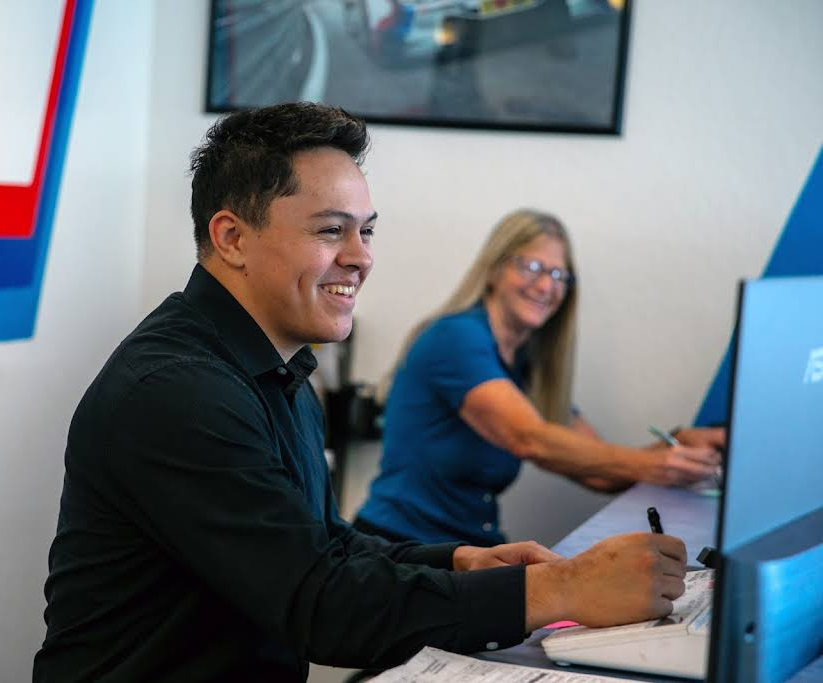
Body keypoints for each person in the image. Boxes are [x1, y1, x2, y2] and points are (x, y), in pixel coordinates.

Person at [34, 105, 696, 682]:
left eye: (366, 229)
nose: (363, 256)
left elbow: (320, 542)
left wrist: (464, 562)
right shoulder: (178, 392)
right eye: (331, 230)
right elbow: (321, 604)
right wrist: (560, 588)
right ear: (231, 238)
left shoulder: (280, 372)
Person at [354, 209, 725, 548]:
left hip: (469, 548)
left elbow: (599, 472)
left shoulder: (525, 365)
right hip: (400, 548)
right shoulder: (457, 338)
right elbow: (531, 439)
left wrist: (678, 445)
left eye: (558, 274)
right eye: (531, 266)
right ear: (495, 269)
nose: (546, 286)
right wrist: (657, 465)